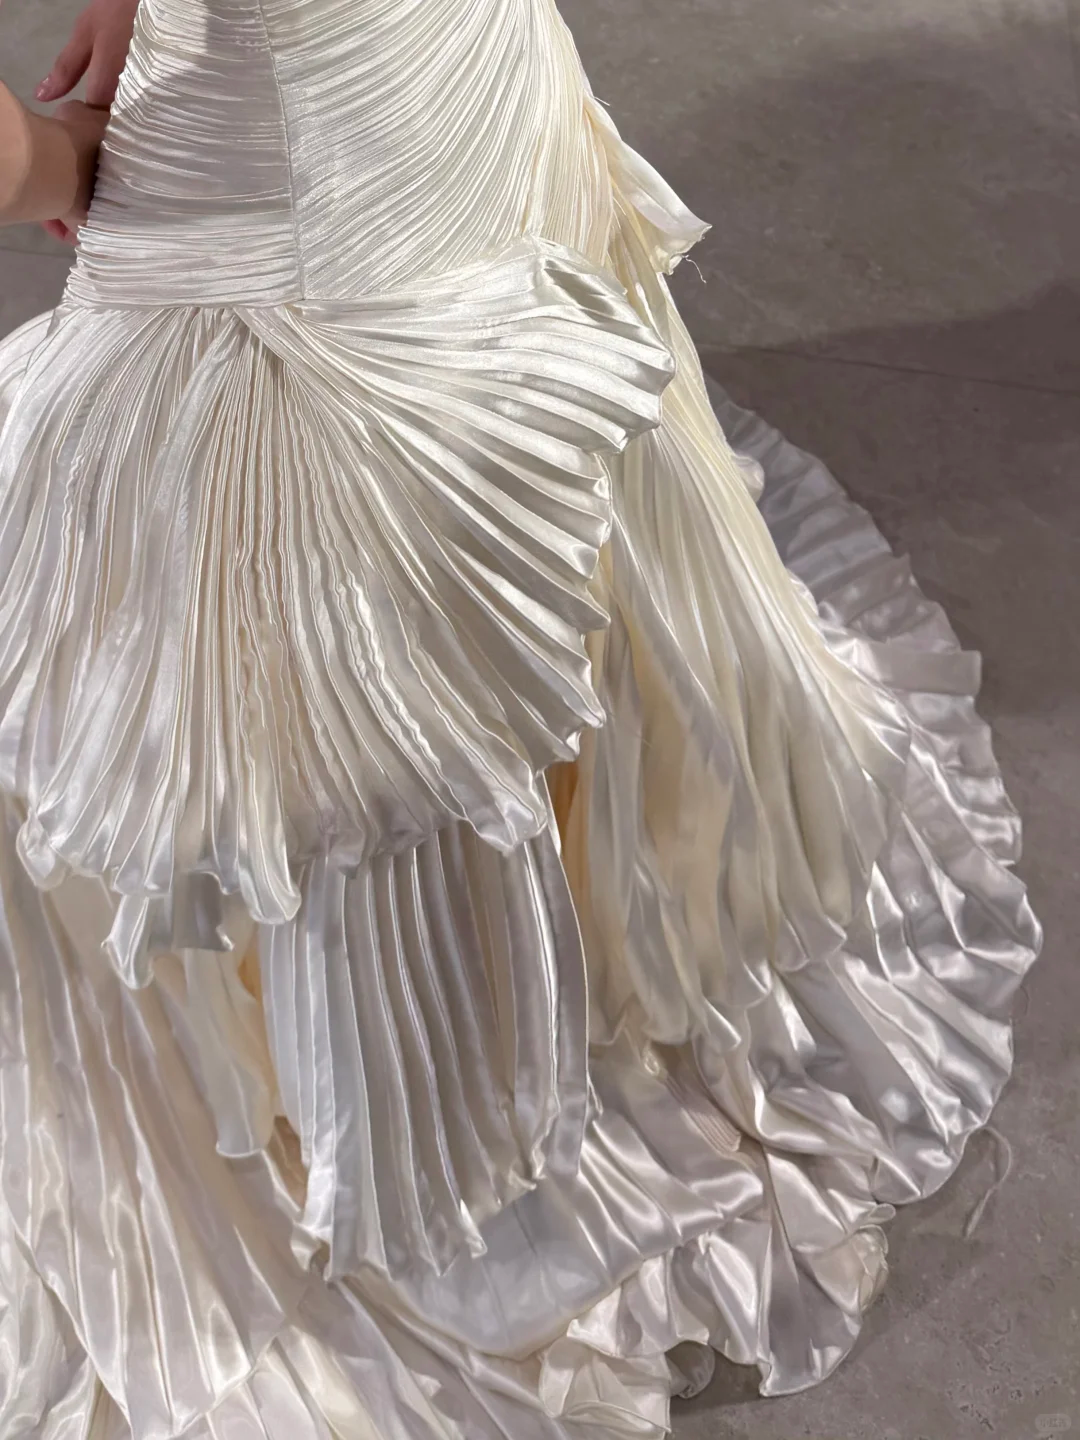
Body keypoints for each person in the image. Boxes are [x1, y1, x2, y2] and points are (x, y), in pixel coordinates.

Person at [0, 1, 1040, 1436]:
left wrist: (60, 143)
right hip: (376, 119)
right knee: (380, 654)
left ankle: (496, 1049)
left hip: (380, 118)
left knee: (400, 634)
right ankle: (501, 1049)